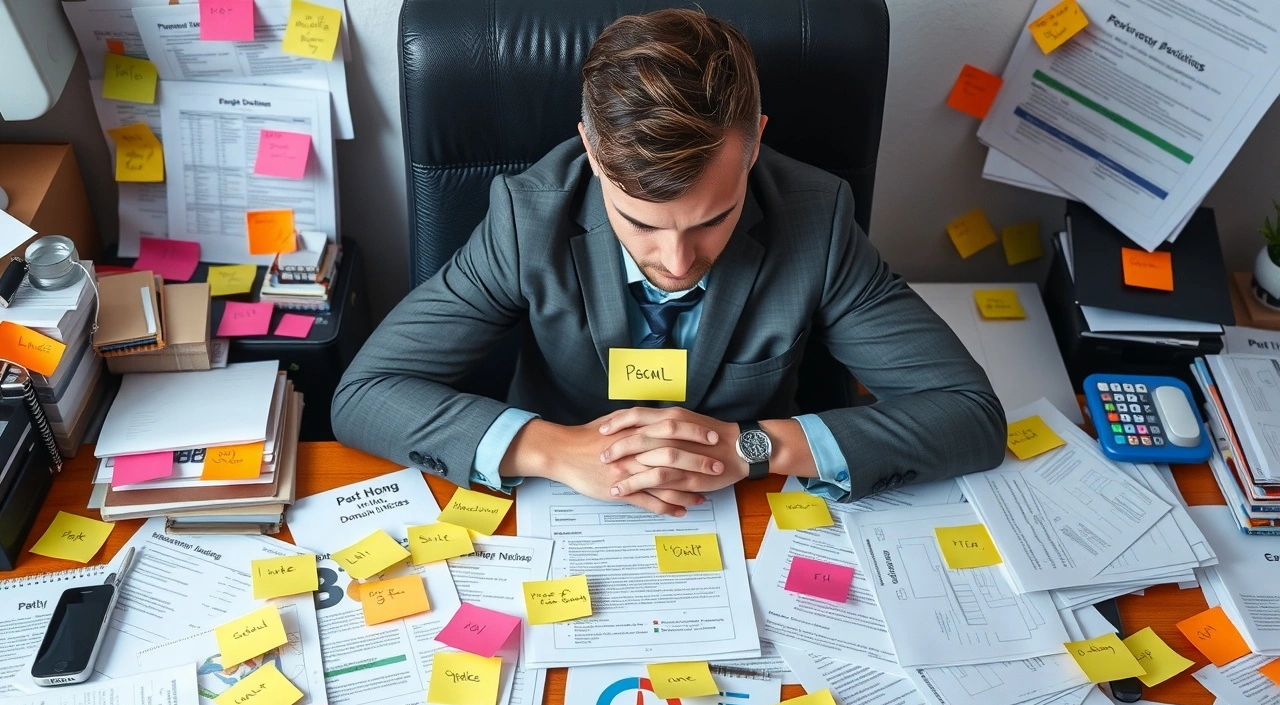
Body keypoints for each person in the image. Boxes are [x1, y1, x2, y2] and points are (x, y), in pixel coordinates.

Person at [333, 8, 1005, 516]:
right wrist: (552, 450)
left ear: (755, 143)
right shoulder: (526, 216)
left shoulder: (817, 215)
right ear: (593, 157)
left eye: (714, 218)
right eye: (641, 224)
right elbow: (365, 396)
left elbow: (969, 415)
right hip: (557, 504)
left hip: (745, 508)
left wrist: (752, 448)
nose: (679, 261)